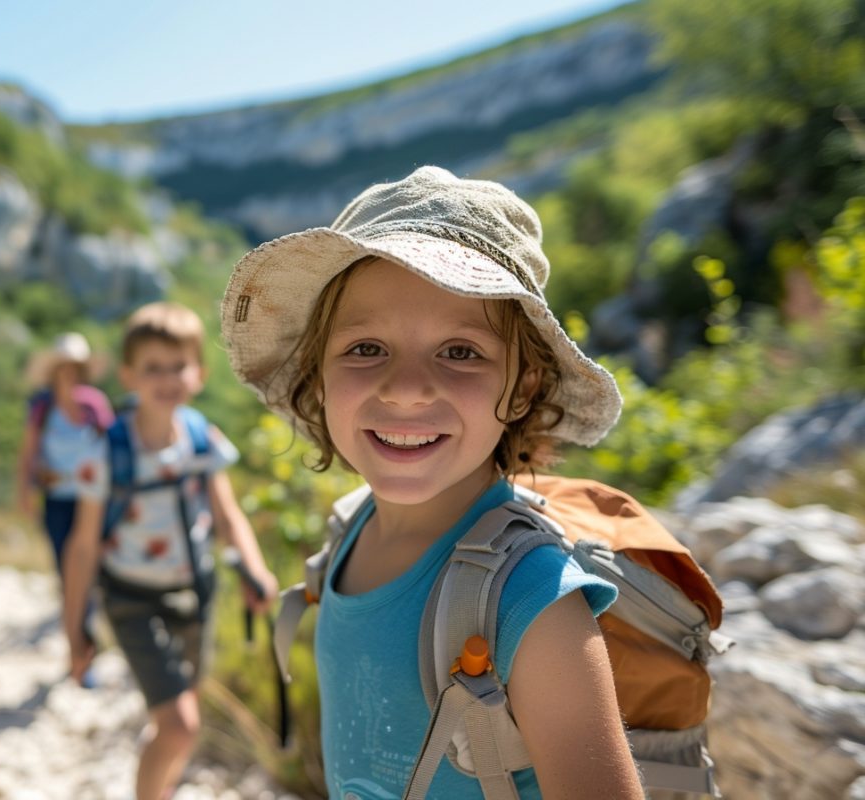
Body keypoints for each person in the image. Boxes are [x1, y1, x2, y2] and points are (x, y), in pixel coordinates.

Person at [220, 166, 643, 798]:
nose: (408, 388)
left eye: (461, 352)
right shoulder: (348, 531)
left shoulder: (533, 601)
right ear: (319, 375)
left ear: (522, 385)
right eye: (366, 349)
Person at [62, 302, 279, 800]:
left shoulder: (201, 439)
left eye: (177, 365)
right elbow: (82, 546)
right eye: (152, 368)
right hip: (130, 598)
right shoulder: (107, 452)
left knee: (182, 718)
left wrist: (255, 569)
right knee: (180, 724)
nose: (167, 378)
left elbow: (226, 516)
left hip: (194, 593)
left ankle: (158, 785)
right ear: (128, 376)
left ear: (199, 374)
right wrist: (76, 628)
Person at [17, 332, 115, 578]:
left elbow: (113, 445)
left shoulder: (94, 403)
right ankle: (75, 612)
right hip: (56, 497)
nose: (70, 373)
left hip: (92, 498)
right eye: (65, 367)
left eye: (76, 368)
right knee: (64, 560)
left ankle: (85, 611)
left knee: (93, 561)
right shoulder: (42, 406)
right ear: (54, 371)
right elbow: (28, 452)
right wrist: (25, 492)